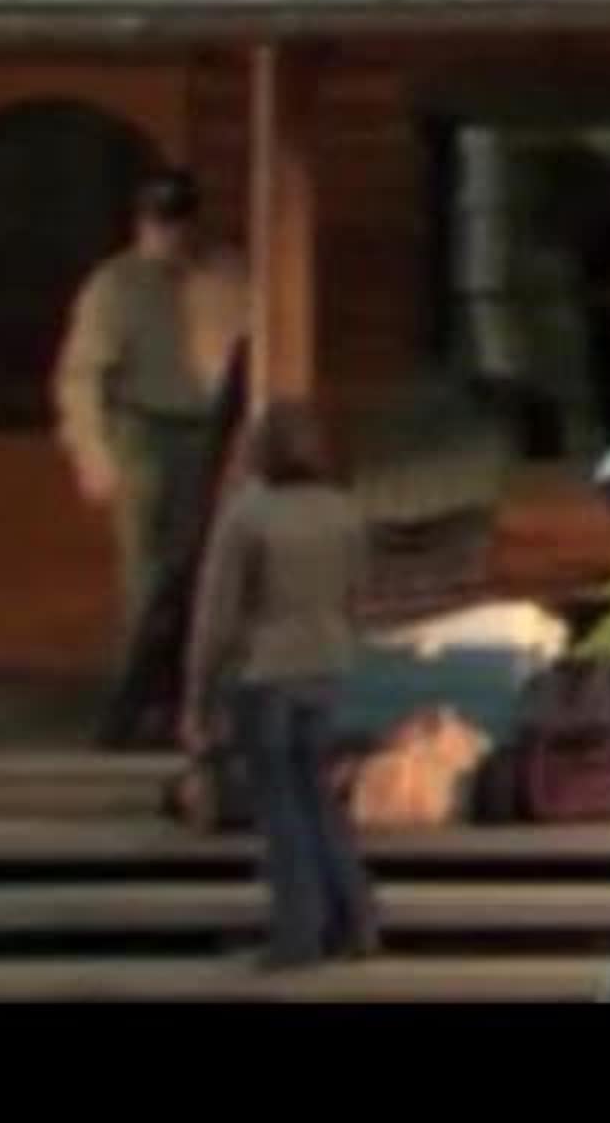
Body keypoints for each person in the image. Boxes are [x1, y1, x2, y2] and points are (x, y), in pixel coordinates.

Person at [182, 399, 382, 971]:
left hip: (265, 674)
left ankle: (298, 933)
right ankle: (355, 918)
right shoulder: (344, 511)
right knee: (318, 797)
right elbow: (357, 598)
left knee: (281, 810)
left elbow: (216, 616)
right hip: (326, 669)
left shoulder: (247, 515)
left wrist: (197, 694)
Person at [51, 170, 252, 654]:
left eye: (178, 223)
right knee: (147, 567)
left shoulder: (228, 275)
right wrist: (92, 453)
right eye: (159, 223)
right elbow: (81, 375)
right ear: (141, 224)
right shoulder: (115, 285)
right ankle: (142, 680)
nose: (169, 235)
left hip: (213, 429)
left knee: (213, 559)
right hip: (142, 430)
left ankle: (200, 682)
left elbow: (260, 346)